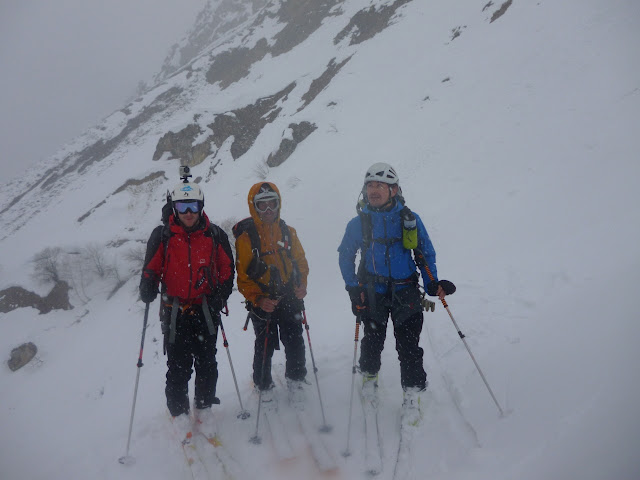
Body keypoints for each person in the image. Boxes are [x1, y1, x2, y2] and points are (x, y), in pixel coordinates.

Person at [338, 162, 453, 422]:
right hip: (373, 291)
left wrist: (432, 282)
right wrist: (353, 288)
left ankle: (412, 394)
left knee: (409, 347)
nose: (374, 190)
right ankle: (369, 379)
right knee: (372, 341)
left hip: (406, 291)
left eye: (380, 185)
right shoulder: (359, 223)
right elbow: (345, 256)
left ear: (394, 190)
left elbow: (424, 252)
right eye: (370, 185)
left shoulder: (409, 220)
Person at [139, 179, 234, 441]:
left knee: (207, 364)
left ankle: (203, 408)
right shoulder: (163, 236)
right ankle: (179, 413)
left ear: (200, 206)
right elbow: (151, 268)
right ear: (175, 208)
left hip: (205, 310)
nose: (188, 212)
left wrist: (219, 298)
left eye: (193, 206)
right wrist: (147, 284)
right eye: (183, 206)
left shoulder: (214, 235)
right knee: (178, 366)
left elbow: (227, 270)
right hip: (175, 311)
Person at [234, 182, 309, 404]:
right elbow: (243, 278)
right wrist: (258, 299)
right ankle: (263, 385)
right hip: (263, 300)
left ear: (278, 205)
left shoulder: (288, 232)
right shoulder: (246, 239)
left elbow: (301, 262)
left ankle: (296, 379)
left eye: (272, 204)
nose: (268, 210)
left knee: (294, 339)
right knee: (264, 343)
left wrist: (301, 284)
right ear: (253, 208)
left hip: (289, 295)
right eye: (262, 205)